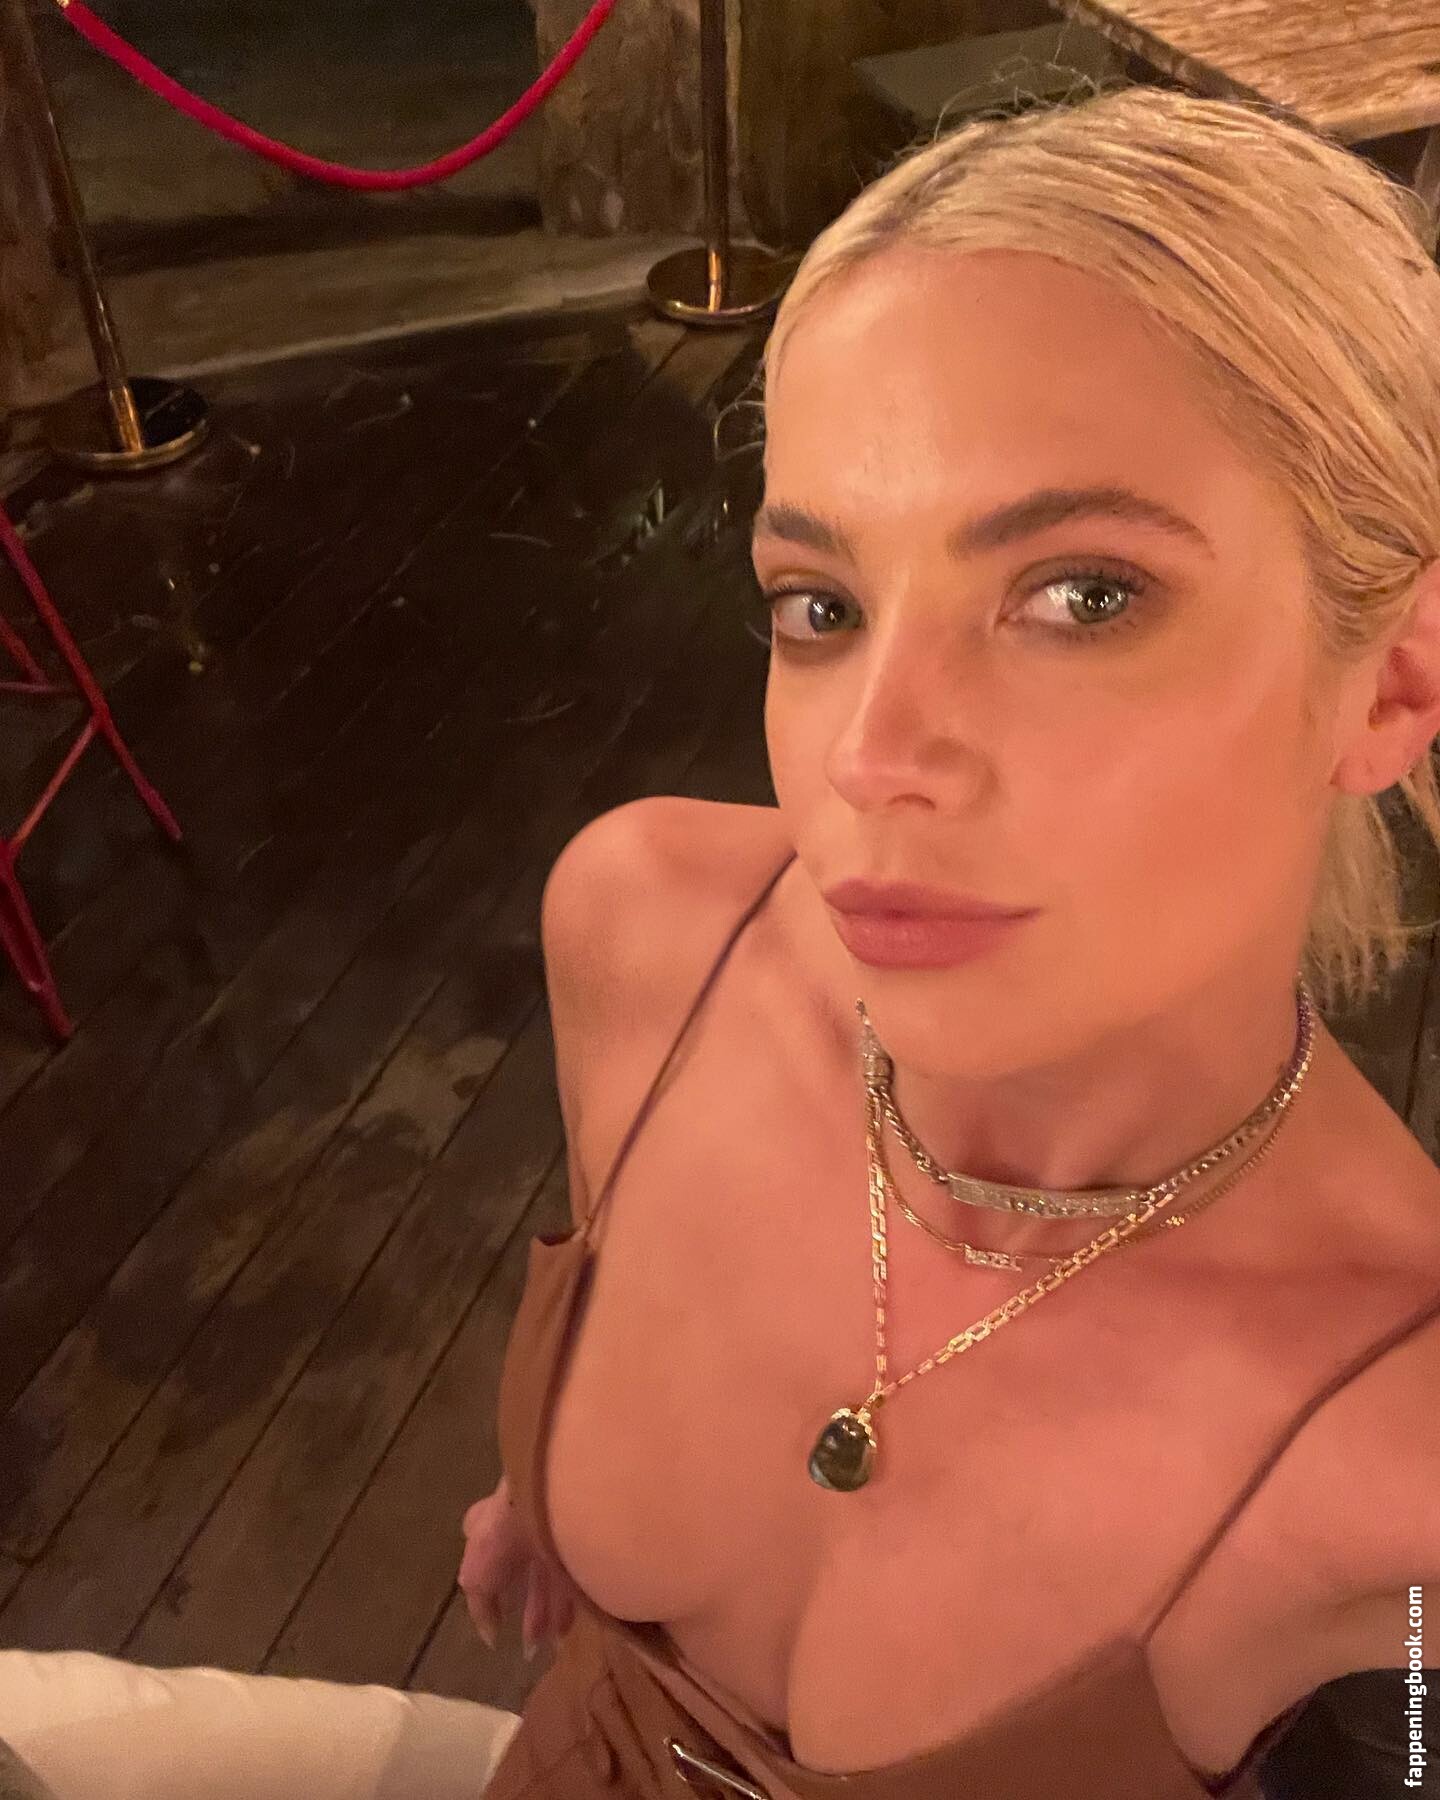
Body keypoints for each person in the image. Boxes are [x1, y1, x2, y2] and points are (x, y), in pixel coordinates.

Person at [459, 80, 1440, 1800]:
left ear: (1393, 685)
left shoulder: (1396, 1432)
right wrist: (553, 1493)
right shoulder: (652, 936)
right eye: (821, 606)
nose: (871, 755)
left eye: (1082, 594)